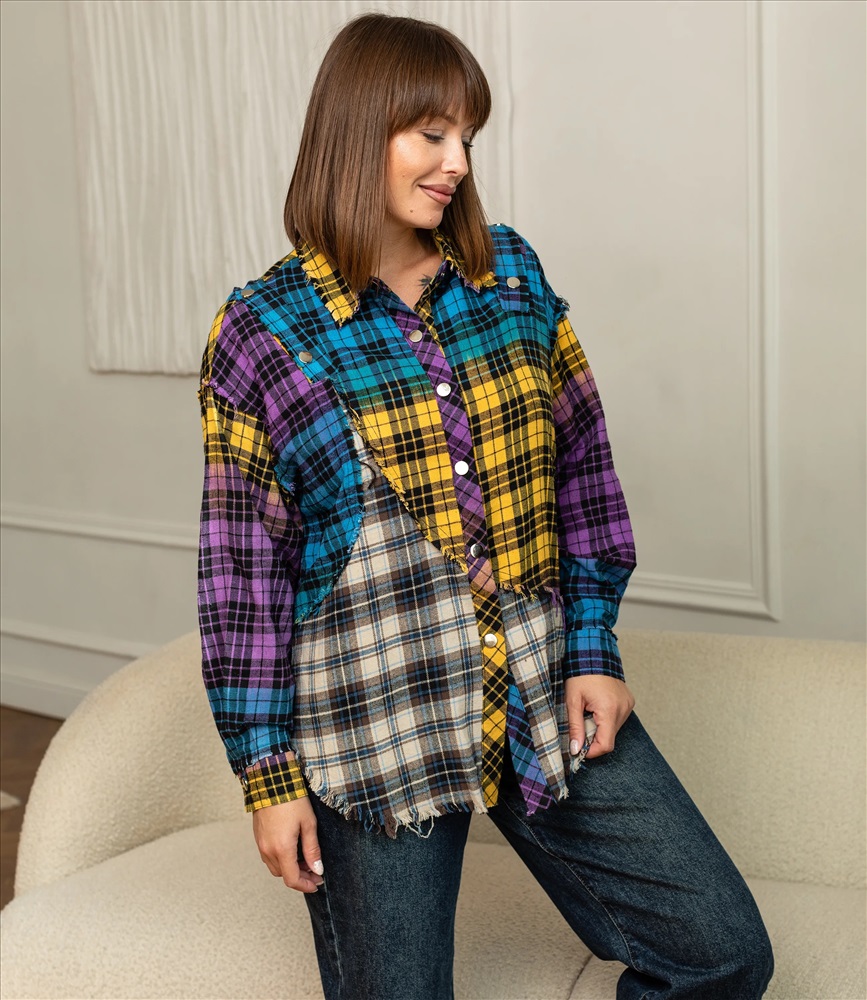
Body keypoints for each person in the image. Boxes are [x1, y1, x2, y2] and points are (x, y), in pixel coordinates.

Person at [197, 12, 773, 1000]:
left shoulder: (509, 276)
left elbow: (582, 471)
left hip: (540, 692)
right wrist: (269, 777)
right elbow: (244, 574)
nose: (457, 162)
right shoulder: (262, 330)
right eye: (432, 133)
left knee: (721, 951)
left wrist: (592, 649)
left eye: (467, 136)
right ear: (358, 130)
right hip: (377, 727)